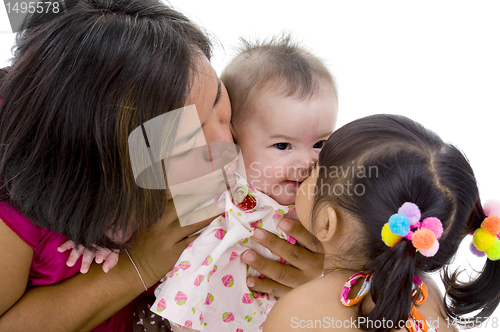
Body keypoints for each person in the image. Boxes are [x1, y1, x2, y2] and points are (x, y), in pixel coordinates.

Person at [0, 1, 323, 331]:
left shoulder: (181, 89)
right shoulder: (18, 181)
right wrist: (140, 265)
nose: (225, 146)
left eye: (216, 102)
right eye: (186, 141)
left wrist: (310, 282)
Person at [150, 36, 338, 331]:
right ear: (236, 137)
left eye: (320, 143)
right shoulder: (217, 177)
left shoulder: (323, 198)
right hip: (201, 311)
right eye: (282, 146)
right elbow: (142, 210)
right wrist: (100, 244)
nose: (308, 162)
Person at [264, 114, 500, 332]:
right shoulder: (429, 296)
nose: (306, 168)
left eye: (316, 170)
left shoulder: (298, 311)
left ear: (328, 223)